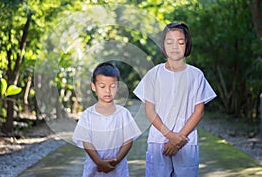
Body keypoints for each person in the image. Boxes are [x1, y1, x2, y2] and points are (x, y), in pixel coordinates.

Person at [133, 22, 217, 177]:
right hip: (158, 140)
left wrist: (178, 140)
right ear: (163, 45)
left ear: (187, 45)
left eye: (180, 42)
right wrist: (170, 136)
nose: (174, 46)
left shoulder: (196, 75)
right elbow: (149, 111)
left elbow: (198, 111)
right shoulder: (153, 74)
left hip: (187, 141)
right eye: (169, 42)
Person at [72, 62, 141, 177]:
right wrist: (99, 162)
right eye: (102, 86)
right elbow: (86, 142)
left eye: (112, 86)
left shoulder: (123, 114)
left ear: (118, 86)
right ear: (94, 86)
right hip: (94, 169)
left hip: (118, 170)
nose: (108, 91)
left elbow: (128, 141)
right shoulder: (87, 115)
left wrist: (116, 160)